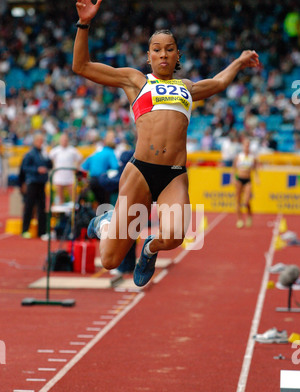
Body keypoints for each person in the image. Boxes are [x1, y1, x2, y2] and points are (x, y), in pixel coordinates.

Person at [73, 0, 260, 286]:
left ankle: (149, 249)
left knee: (175, 235)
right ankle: (106, 222)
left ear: (177, 56)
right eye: (157, 50)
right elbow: (81, 66)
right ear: (149, 56)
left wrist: (239, 61)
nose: (163, 54)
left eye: (169, 49)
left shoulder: (187, 88)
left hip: (173, 174)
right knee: (110, 260)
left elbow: (220, 82)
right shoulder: (136, 81)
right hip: (140, 172)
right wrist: (84, 23)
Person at [21, 132, 53, 238]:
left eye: (42, 141)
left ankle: (42, 232)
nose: (41, 143)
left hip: (41, 183)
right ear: (35, 142)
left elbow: (50, 165)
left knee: (42, 208)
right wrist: (37, 170)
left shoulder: (43, 154)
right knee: (29, 207)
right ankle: (25, 230)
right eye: (39, 141)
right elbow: (24, 167)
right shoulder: (30, 154)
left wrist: (48, 157)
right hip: (32, 183)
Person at [80, 129, 119, 204]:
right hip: (102, 181)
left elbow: (84, 167)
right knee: (106, 205)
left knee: (100, 203)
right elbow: (115, 167)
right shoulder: (110, 153)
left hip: (92, 182)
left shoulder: (96, 153)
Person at [232, 136, 259, 229]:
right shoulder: (239, 156)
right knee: (238, 200)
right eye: (245, 145)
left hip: (248, 180)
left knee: (247, 200)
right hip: (239, 179)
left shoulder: (252, 157)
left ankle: (249, 215)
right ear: (243, 146)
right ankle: (239, 220)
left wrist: (256, 178)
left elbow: (255, 169)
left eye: (248, 145)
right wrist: (233, 178)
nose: (247, 147)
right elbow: (234, 168)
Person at [49, 133, 82, 204]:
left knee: (73, 196)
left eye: (65, 140)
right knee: (60, 196)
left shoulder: (72, 150)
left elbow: (79, 158)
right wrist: (53, 166)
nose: (64, 141)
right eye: (63, 140)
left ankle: (74, 211)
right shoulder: (55, 151)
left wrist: (76, 167)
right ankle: (61, 212)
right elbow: (50, 159)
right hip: (59, 177)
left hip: (69, 176)